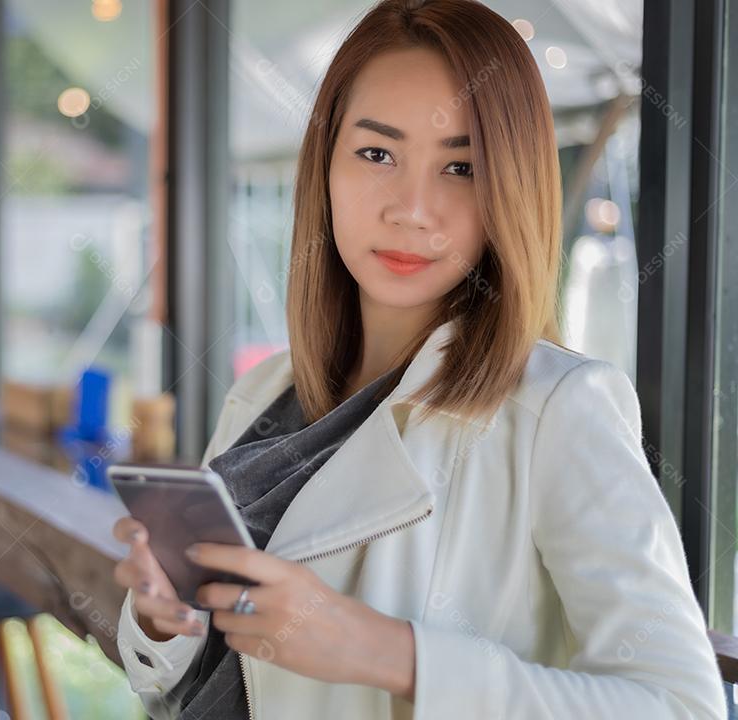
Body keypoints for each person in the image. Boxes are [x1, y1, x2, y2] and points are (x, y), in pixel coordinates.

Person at [111, 1, 727, 717]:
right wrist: (164, 612)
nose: (412, 208)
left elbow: (682, 704)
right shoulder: (263, 391)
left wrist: (388, 653)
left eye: (461, 167)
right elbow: (182, 670)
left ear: (512, 187)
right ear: (326, 167)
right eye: (377, 154)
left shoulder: (560, 408)